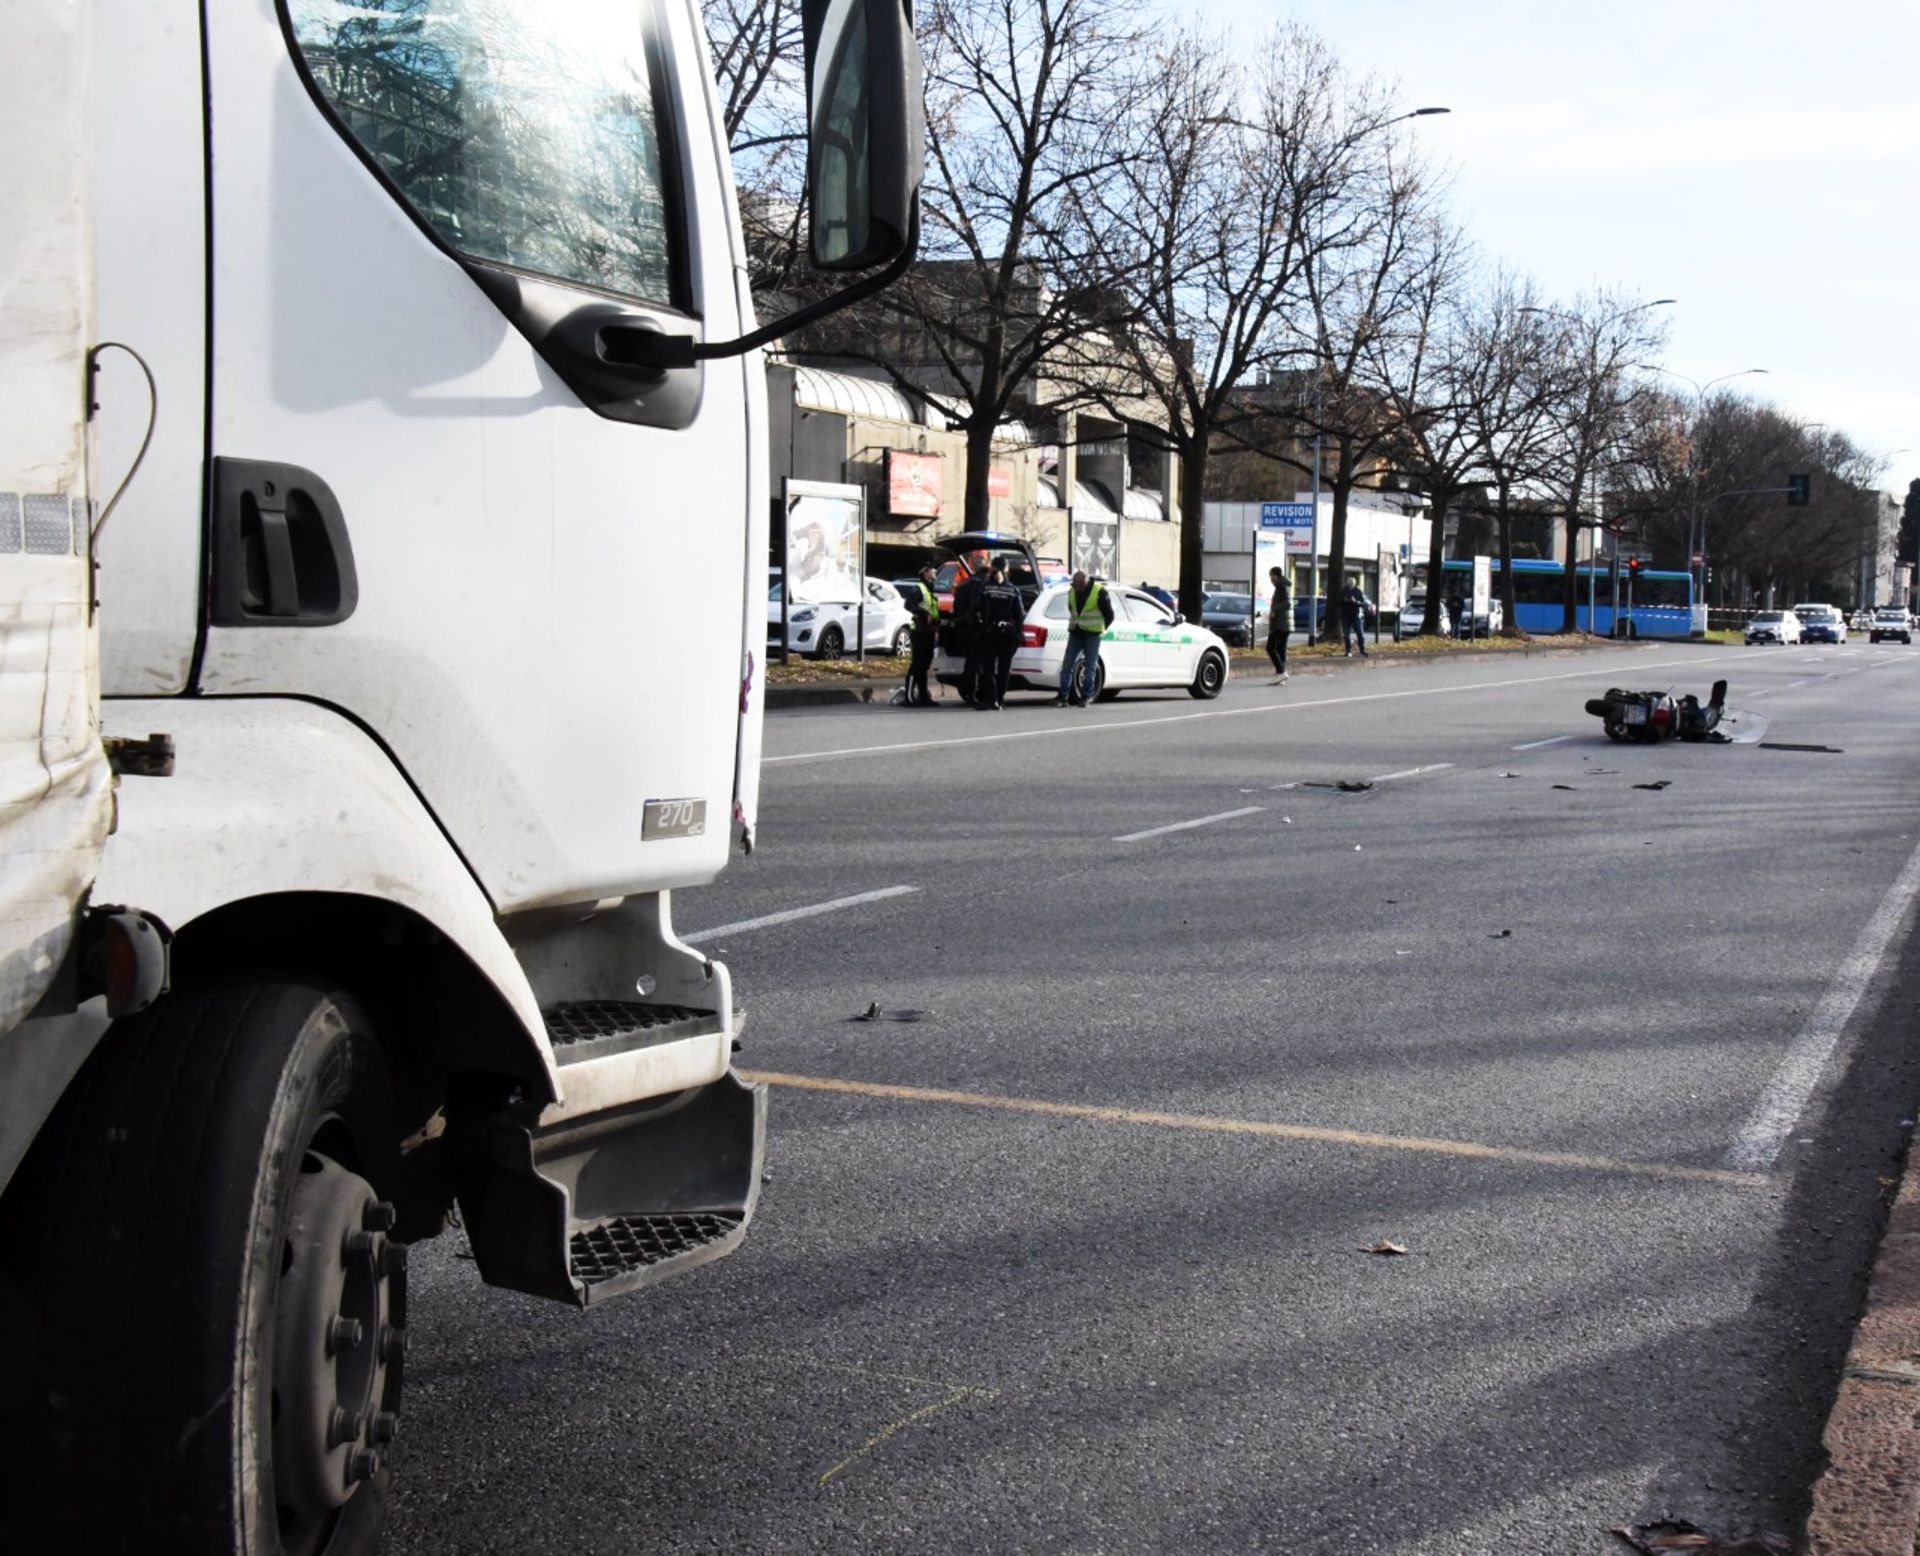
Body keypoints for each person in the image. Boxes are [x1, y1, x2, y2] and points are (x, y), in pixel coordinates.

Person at [1055, 569, 1114, 706]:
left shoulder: (1100, 592)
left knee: (1090, 667)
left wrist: (1101, 629)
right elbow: (1072, 609)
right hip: (1076, 633)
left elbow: (1110, 615)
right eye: (1075, 586)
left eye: (1079, 586)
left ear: (1085, 583)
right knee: (1067, 665)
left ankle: (1086, 697)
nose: (1077, 589)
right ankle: (1063, 696)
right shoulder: (1072, 590)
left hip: (1093, 634)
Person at [975, 559, 1025, 709]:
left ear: (992, 568)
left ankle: (992, 699)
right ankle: (1000, 699)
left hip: (989, 632)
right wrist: (1019, 633)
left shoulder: (984, 587)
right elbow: (1019, 614)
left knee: (988, 668)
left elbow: (977, 607)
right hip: (1008, 633)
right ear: (1006, 569)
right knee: (1004, 668)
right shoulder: (1013, 589)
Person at [952, 561, 986, 706]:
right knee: (978, 662)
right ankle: (975, 692)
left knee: (971, 661)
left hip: (964, 628)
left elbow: (956, 608)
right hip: (978, 628)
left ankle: (968, 690)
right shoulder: (985, 583)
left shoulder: (964, 584)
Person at [904, 564, 939, 707]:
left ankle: (923, 697)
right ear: (925, 572)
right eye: (932, 570)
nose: (935, 572)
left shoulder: (931, 588)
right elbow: (908, 604)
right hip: (919, 631)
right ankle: (909, 698)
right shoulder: (919, 588)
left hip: (929, 631)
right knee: (917, 664)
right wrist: (925, 614)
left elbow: (933, 609)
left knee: (924, 665)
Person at [1265, 565, 1292, 683]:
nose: (1271, 580)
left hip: (1281, 624)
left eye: (1272, 577)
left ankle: (1281, 672)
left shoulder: (1282, 587)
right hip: (1283, 623)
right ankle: (1280, 674)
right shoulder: (1281, 586)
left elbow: (1287, 603)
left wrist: (1274, 610)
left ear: (1277, 576)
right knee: (1280, 649)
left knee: (1270, 647)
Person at [1341, 580, 1373, 658]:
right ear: (1347, 583)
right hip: (1345, 615)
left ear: (1354, 584)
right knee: (1346, 634)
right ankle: (1348, 651)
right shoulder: (1343, 591)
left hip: (1356, 615)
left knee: (1360, 633)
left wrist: (1355, 601)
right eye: (1349, 583)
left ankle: (1362, 650)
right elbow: (1338, 601)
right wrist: (1344, 601)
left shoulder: (1358, 591)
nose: (1350, 585)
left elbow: (1363, 603)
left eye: (1352, 583)